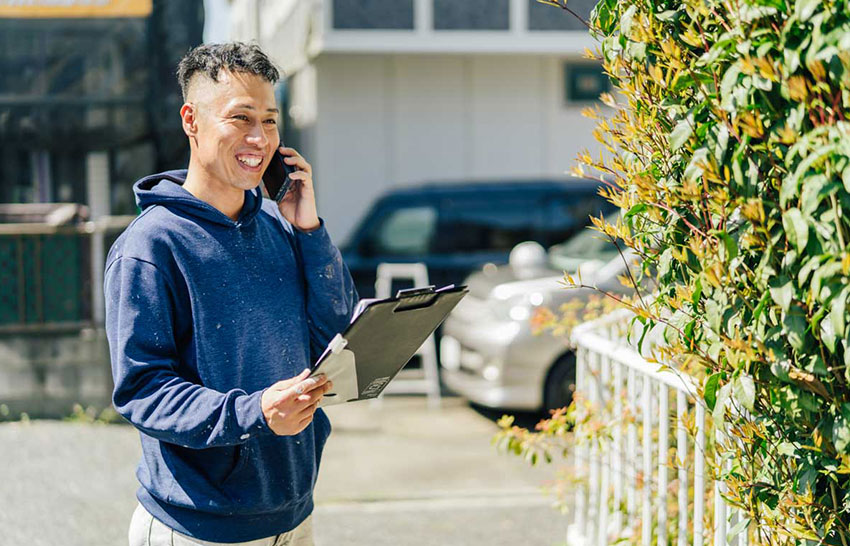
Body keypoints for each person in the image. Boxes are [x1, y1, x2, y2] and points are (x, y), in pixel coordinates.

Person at [104, 42, 358, 545]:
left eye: (269, 120)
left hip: (292, 513)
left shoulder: (278, 225)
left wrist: (310, 232)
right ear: (191, 121)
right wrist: (256, 412)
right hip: (200, 527)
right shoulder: (150, 247)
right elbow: (143, 390)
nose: (259, 138)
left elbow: (334, 336)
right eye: (241, 118)